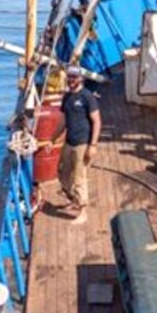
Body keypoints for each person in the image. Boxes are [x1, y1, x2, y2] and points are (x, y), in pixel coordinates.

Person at [57, 66, 102, 217]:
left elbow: (96, 121)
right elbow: (64, 122)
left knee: (79, 177)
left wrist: (93, 146)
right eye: (69, 76)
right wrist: (52, 139)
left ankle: (83, 212)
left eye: (74, 77)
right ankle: (73, 200)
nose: (71, 80)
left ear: (81, 79)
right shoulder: (67, 97)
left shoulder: (87, 97)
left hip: (82, 143)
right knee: (63, 173)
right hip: (69, 142)